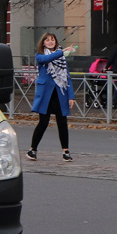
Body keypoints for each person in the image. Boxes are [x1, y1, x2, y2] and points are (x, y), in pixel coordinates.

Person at [27, 33, 77, 162]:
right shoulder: (41, 55)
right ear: (43, 43)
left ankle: (66, 151)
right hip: (46, 94)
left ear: (56, 41)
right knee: (43, 123)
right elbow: (45, 60)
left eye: (52, 40)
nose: (50, 42)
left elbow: (67, 77)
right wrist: (62, 52)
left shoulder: (61, 58)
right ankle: (32, 150)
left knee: (62, 123)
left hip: (60, 93)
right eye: (47, 40)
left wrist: (71, 96)